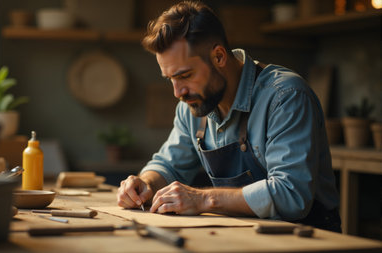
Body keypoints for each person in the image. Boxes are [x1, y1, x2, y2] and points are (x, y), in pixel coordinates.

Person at [117, 1, 341, 232]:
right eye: (170, 79)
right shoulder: (192, 105)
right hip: (244, 236)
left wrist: (204, 199)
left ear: (219, 57)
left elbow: (292, 195)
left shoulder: (285, 96)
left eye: (185, 75)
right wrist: (146, 183)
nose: (178, 92)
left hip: (309, 238)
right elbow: (168, 164)